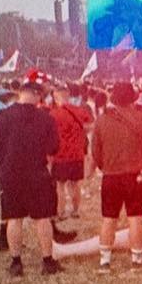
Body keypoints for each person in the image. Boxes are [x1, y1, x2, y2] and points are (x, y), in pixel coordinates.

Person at [0, 81, 62, 277]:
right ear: (37, 95)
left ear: (19, 93)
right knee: (42, 218)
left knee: (14, 218)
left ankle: (16, 262)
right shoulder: (45, 118)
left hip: (11, 173)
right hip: (37, 172)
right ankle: (47, 261)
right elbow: (54, 147)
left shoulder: (2, 116)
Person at [91, 81, 142, 269]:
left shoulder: (102, 120)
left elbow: (95, 150)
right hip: (136, 174)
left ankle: (105, 258)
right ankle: (136, 257)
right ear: (133, 98)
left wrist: (104, 165)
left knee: (109, 217)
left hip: (111, 174)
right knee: (135, 216)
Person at [48, 83, 92, 223]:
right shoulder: (79, 111)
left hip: (60, 155)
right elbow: (90, 126)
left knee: (60, 186)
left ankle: (60, 212)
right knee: (75, 184)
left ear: (55, 97)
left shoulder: (53, 114)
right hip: (77, 154)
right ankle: (75, 211)